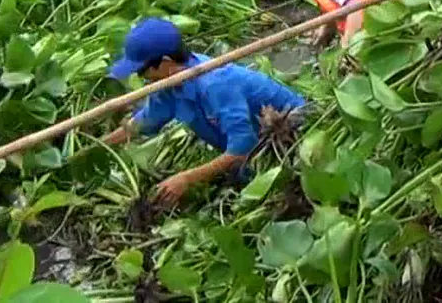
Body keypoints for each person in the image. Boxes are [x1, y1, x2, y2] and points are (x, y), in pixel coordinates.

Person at [103, 18, 307, 205]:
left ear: (165, 63)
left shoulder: (215, 84)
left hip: (293, 147)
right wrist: (100, 146)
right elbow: (144, 122)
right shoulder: (168, 86)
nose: (142, 77)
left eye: (142, 71)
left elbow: (241, 149)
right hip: (253, 161)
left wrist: (187, 179)